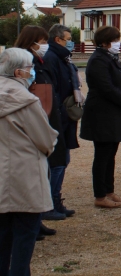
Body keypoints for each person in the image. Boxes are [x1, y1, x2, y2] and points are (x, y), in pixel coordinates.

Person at [0, 48, 58, 276]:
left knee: (3, 236)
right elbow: (45, 139)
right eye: (30, 68)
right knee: (25, 236)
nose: (33, 72)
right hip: (25, 176)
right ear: (18, 72)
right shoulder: (26, 102)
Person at [14, 26, 66, 235]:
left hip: (47, 117)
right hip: (32, 122)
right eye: (42, 41)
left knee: (43, 171)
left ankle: (37, 221)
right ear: (32, 41)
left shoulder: (41, 62)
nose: (45, 46)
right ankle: (30, 224)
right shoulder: (24, 63)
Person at [80, 26, 121, 208]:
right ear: (104, 42)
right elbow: (106, 87)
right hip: (101, 114)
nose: (118, 44)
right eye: (114, 40)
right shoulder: (98, 60)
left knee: (111, 154)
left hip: (114, 113)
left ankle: (109, 190)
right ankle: (100, 195)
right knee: (102, 155)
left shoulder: (111, 58)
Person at [43, 24, 82, 220]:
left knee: (63, 160)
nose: (71, 42)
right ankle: (49, 203)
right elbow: (53, 91)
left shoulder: (64, 58)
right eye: (68, 38)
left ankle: (56, 200)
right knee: (57, 162)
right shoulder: (52, 58)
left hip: (65, 117)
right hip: (58, 118)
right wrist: (60, 114)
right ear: (58, 40)